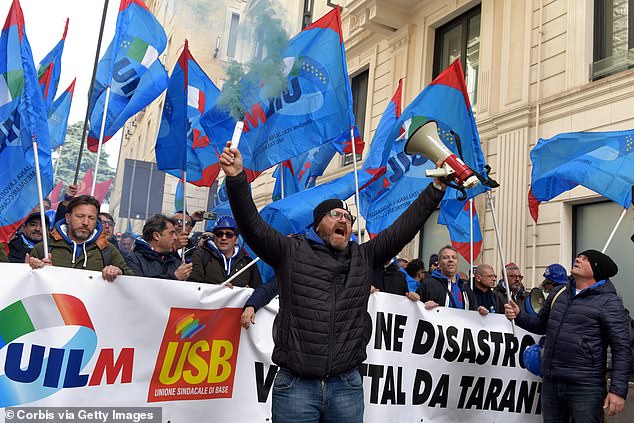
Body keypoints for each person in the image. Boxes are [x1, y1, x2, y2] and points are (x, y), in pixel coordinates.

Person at [219, 141, 445, 422]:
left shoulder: (363, 257)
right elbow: (252, 225)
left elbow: (403, 228)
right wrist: (237, 180)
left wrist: (436, 189)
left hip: (346, 387)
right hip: (295, 388)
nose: (344, 220)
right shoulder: (290, 251)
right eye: (335, 215)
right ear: (317, 224)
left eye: (348, 218)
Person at [505, 250, 630, 421]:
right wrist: (519, 315)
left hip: (586, 387)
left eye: (585, 259)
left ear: (597, 269)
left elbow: (621, 348)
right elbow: (541, 325)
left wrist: (617, 390)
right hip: (552, 382)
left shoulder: (609, 302)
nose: (578, 259)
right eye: (579, 256)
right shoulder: (559, 294)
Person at [27, 195, 133, 282]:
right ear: (68, 218)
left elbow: (132, 282)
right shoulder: (44, 248)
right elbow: (24, 283)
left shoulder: (107, 250)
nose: (85, 223)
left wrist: (119, 272)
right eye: (80, 216)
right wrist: (33, 268)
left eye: (91, 218)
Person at [189, 215, 262, 288]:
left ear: (236, 240)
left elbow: (259, 292)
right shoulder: (201, 256)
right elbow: (192, 286)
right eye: (219, 234)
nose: (224, 238)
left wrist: (249, 292)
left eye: (229, 235)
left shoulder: (248, 264)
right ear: (214, 238)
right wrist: (216, 289)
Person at [407, 245, 476, 311]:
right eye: (446, 257)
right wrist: (421, 304)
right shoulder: (428, 284)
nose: (450, 260)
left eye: (454, 257)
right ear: (439, 264)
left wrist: (479, 311)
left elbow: (474, 309)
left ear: (457, 262)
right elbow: (415, 308)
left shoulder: (465, 287)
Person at [125, 214, 192, 280]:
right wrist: (174, 277)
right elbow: (138, 287)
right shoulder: (134, 260)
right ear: (156, 236)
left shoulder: (175, 263)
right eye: (171, 233)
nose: (175, 237)